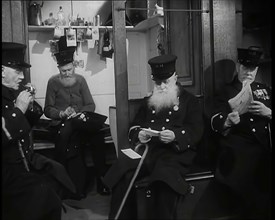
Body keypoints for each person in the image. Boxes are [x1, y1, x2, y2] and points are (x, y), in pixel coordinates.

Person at [103, 54, 204, 219]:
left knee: (164, 180)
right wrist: (139, 135)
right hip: (149, 151)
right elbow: (134, 127)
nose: (162, 86)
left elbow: (196, 130)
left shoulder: (189, 101)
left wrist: (175, 135)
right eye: (158, 82)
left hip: (174, 154)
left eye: (166, 82)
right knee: (123, 172)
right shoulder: (149, 101)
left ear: (175, 77)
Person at [2, 42, 76, 220]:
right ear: (2, 71)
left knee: (57, 173)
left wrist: (31, 104)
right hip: (7, 169)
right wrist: (19, 109)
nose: (22, 76)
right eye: (17, 71)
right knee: (44, 196)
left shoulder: (11, 92)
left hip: (23, 160)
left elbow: (28, 122)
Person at [44, 35, 110, 197]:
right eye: (63, 71)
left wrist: (80, 114)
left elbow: (90, 105)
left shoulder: (80, 80)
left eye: (69, 70)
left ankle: (102, 181)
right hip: (62, 125)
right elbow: (47, 109)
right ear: (58, 70)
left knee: (98, 138)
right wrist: (61, 113)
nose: (67, 74)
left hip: (80, 122)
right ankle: (73, 186)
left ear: (74, 66)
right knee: (73, 138)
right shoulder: (53, 82)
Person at [211, 46, 271, 219]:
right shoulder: (225, 91)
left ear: (257, 69)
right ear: (238, 66)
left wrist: (268, 113)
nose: (249, 73)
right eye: (245, 68)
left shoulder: (265, 90)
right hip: (238, 150)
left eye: (253, 69)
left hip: (264, 148)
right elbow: (215, 120)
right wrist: (227, 121)